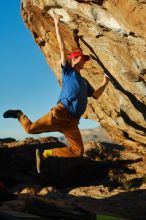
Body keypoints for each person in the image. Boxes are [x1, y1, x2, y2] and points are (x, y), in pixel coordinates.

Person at [3, 13, 109, 160]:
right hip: (59, 114)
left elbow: (96, 95)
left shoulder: (84, 82)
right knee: (29, 129)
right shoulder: (68, 71)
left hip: (72, 122)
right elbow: (61, 47)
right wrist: (56, 23)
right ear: (72, 60)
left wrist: (105, 83)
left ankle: (46, 153)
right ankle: (19, 114)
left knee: (78, 151)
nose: (83, 60)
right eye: (80, 57)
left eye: (84, 59)